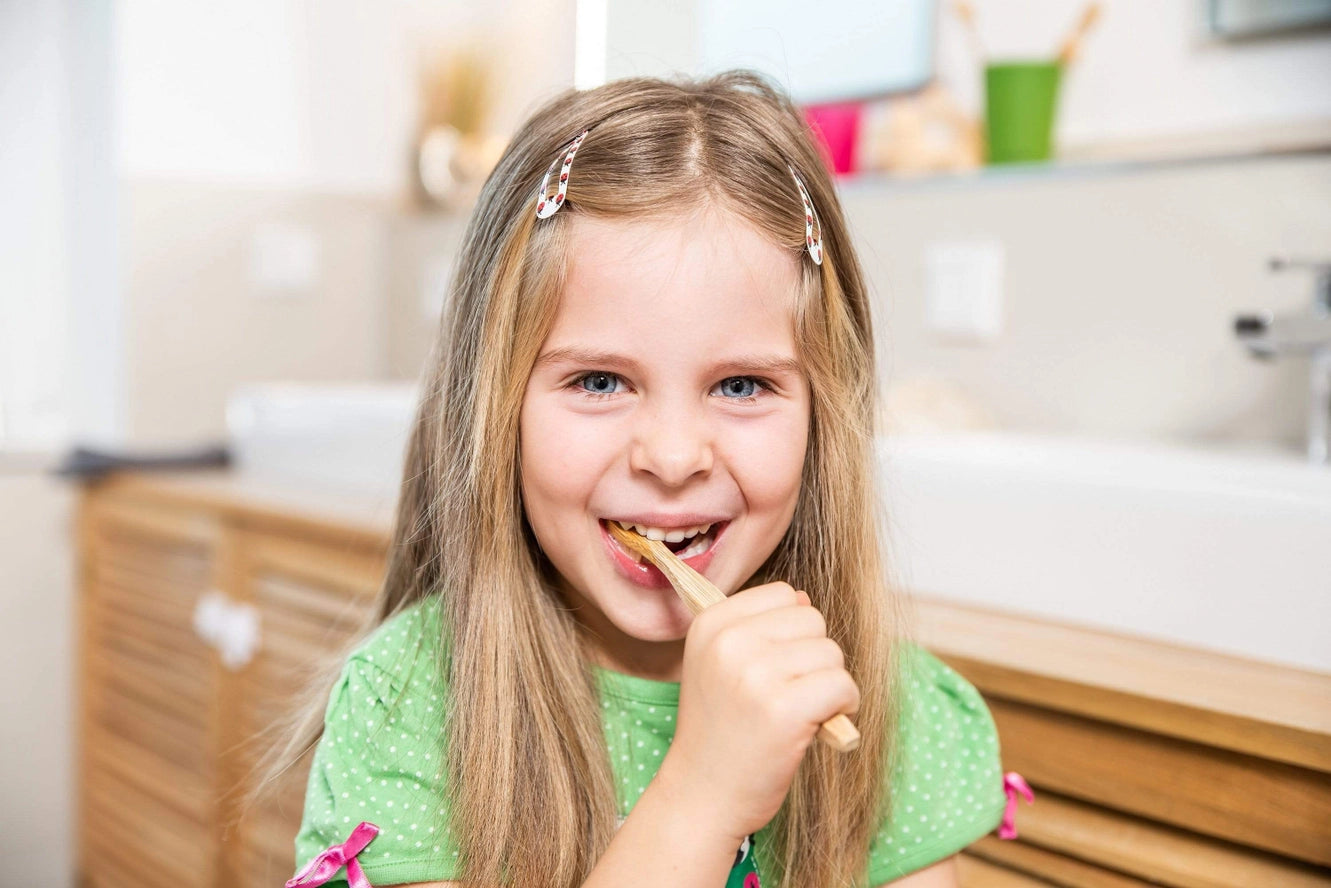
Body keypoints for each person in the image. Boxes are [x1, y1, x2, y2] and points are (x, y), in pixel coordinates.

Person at [277, 71, 1028, 888]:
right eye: (599, 381)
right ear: (495, 408)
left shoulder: (889, 711)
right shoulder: (410, 707)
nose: (672, 459)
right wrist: (702, 797)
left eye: (741, 386)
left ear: (824, 413)